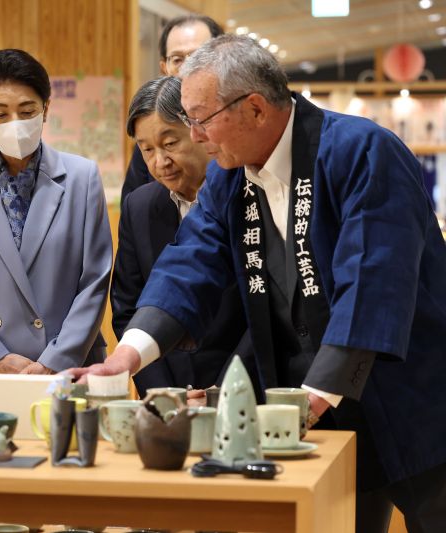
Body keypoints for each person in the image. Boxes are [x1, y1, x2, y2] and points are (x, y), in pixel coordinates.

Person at [75, 35, 446, 533]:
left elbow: (374, 280)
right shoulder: (232, 176)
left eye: (200, 119)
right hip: (311, 412)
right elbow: (191, 262)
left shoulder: (361, 151)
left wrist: (310, 398)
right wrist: (125, 357)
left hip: (406, 396)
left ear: (254, 108)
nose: (196, 135)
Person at [0, 49, 112, 417]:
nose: (15, 123)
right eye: (0, 113)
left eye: (27, 112)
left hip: (67, 366)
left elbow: (95, 281)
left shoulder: (82, 177)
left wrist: (53, 360)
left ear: (46, 108)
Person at [112, 76, 248, 398]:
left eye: (170, 143)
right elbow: (126, 308)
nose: (160, 162)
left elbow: (263, 308)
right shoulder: (140, 206)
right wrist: (164, 393)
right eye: (147, 150)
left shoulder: (246, 193)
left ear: (199, 132)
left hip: (240, 386)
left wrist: (226, 388)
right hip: (167, 389)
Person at [120, 14, 223, 205]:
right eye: (177, 60)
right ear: (164, 68)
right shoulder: (151, 137)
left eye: (199, 56)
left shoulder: (237, 127)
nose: (188, 68)